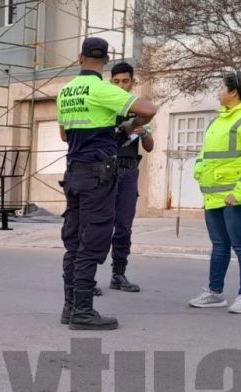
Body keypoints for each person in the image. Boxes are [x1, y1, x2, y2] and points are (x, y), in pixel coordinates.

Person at [56, 37, 158, 330]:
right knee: (93, 240)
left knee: (74, 241)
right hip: (98, 175)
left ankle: (70, 307)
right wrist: (127, 125)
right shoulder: (103, 89)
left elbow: (64, 135)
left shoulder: (65, 91)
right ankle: (83, 312)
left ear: (80, 58)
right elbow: (149, 109)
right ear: (106, 61)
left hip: (74, 172)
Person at [187, 71, 241, 315]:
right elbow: (205, 153)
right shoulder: (218, 121)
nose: (218, 92)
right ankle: (214, 292)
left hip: (239, 198)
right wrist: (199, 169)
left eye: (221, 88)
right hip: (214, 196)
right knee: (219, 245)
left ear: (234, 91)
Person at [107, 61, 154, 293]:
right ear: (110, 82)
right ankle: (87, 278)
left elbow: (150, 146)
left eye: (125, 81)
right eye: (116, 81)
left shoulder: (139, 109)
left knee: (124, 227)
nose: (121, 85)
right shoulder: (105, 104)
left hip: (128, 172)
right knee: (97, 225)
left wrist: (143, 132)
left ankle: (118, 274)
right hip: (106, 171)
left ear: (132, 83)